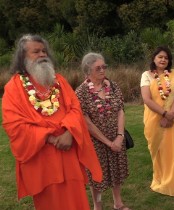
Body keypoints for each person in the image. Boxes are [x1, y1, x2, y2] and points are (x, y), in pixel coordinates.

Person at [1, 34, 102, 210]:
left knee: (76, 200)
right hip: (42, 159)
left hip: (68, 151)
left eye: (44, 51)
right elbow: (13, 124)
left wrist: (69, 133)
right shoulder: (13, 87)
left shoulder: (59, 81)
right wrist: (49, 138)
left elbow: (75, 109)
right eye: (36, 52)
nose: (42, 55)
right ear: (23, 57)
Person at [75, 52, 130, 210]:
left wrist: (119, 137)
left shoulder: (112, 86)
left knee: (117, 170)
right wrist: (107, 142)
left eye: (104, 66)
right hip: (95, 143)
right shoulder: (81, 92)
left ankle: (118, 203)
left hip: (116, 137)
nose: (102, 70)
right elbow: (86, 122)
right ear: (87, 71)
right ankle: (97, 206)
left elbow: (120, 110)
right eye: (98, 68)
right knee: (96, 176)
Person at [140, 46, 174, 196]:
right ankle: (161, 179)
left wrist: (171, 115)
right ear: (154, 58)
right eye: (160, 57)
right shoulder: (146, 75)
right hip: (154, 119)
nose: (163, 60)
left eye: (166, 58)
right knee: (157, 149)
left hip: (173, 118)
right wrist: (164, 113)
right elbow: (146, 99)